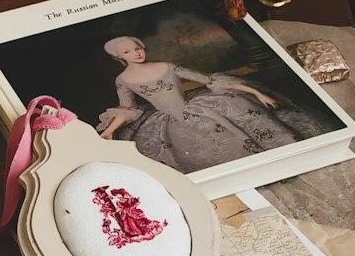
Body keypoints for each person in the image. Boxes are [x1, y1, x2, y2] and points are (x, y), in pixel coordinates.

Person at [97, 35, 324, 173]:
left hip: (202, 109)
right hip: (166, 123)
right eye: (128, 51)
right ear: (119, 57)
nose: (136, 53)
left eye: (138, 47)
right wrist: (109, 130)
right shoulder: (123, 79)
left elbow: (209, 80)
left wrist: (256, 92)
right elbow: (129, 109)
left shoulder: (166, 66)